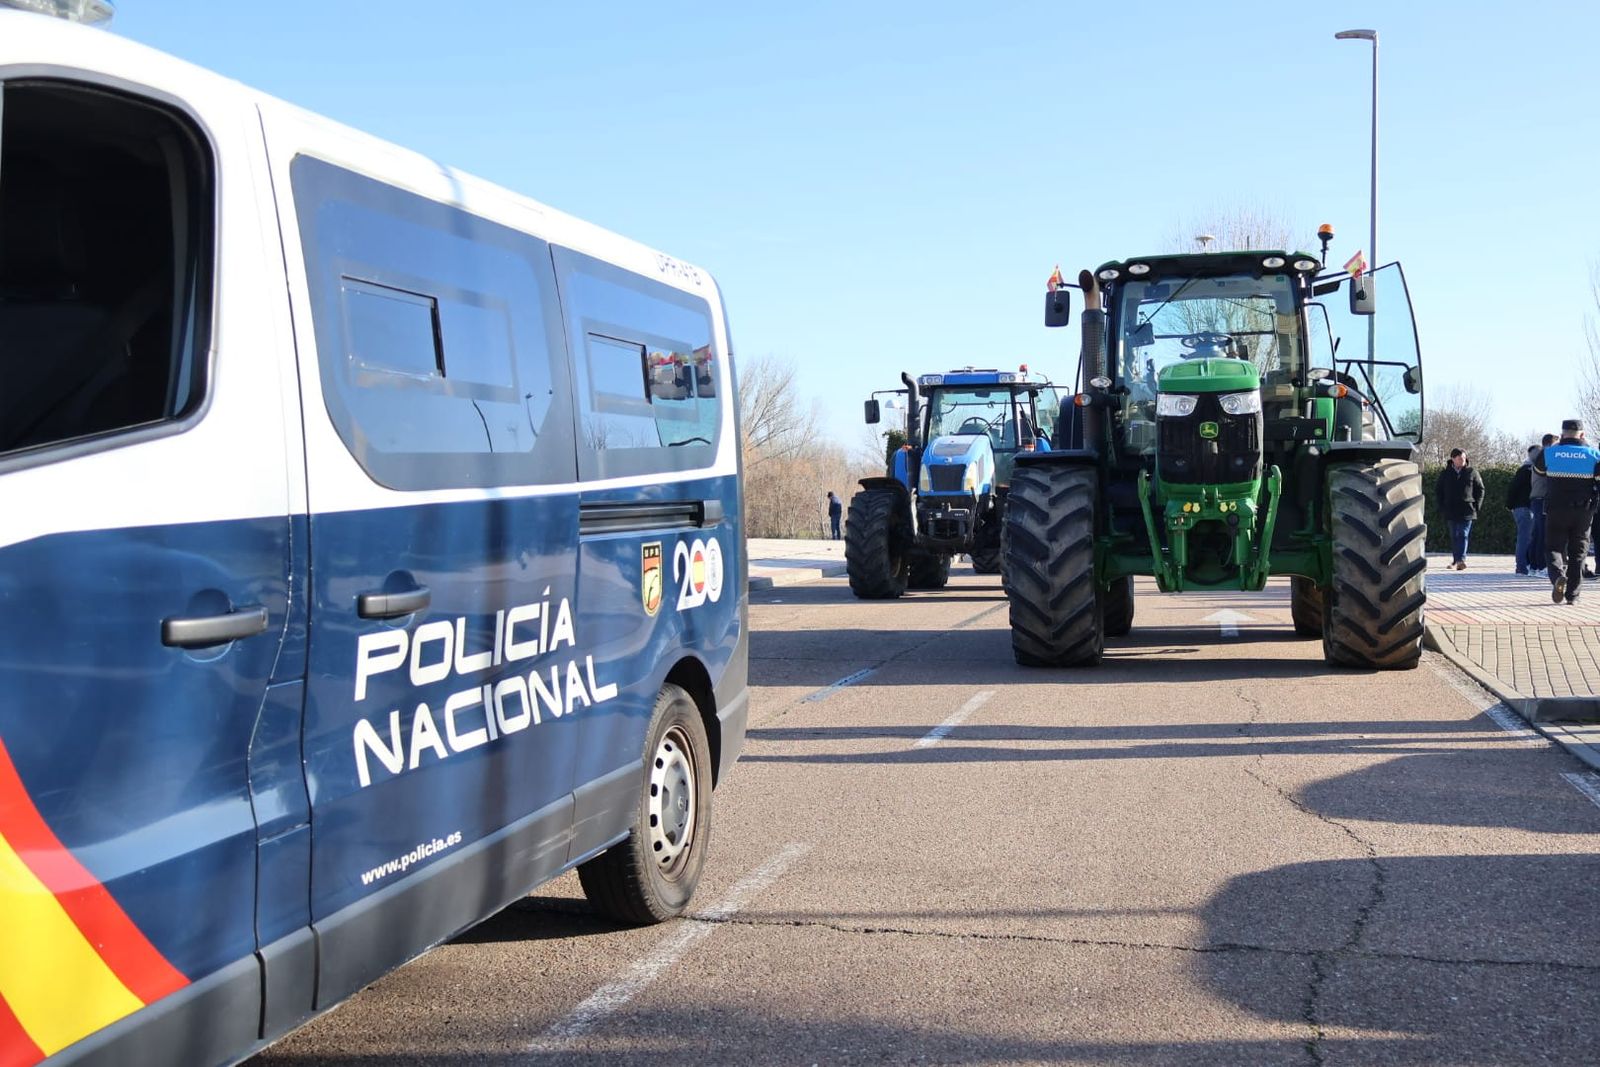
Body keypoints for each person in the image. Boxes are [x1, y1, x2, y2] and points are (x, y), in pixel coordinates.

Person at [1532, 419, 1600, 605]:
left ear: (1562, 434)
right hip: (1583, 511)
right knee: (1579, 553)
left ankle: (1557, 578)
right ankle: (1573, 596)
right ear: (1583, 435)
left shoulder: (1550, 452)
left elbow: (1538, 471)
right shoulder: (1594, 454)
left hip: (1556, 509)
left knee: (1553, 547)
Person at [1435, 448, 1484, 570]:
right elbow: (1438, 491)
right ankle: (1455, 560)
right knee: (1454, 535)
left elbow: (1480, 489)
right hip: (1450, 509)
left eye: (1463, 458)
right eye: (1459, 458)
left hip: (1467, 509)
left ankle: (1461, 560)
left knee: (1463, 534)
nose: (1462, 460)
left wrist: (1476, 506)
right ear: (1453, 459)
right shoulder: (1445, 473)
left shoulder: (1472, 472)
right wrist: (1442, 506)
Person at [1529, 432, 1557, 577]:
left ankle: (1533, 566)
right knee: (1543, 535)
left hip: (1536, 499)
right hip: (1542, 499)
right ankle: (1541, 566)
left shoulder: (1536, 458)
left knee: (1537, 534)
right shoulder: (1546, 457)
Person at [1506, 446, 1536, 575]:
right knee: (1525, 537)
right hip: (1525, 507)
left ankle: (1524, 565)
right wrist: (1510, 505)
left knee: (1525, 537)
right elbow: (1514, 488)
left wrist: (1510, 505)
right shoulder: (1527, 470)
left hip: (1521, 506)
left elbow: (1513, 488)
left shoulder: (1525, 469)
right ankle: (1522, 567)